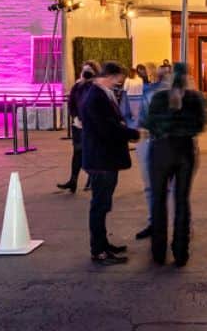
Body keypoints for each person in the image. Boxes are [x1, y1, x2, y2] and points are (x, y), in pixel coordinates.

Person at [144, 61, 207, 266]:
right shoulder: (195, 99)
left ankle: (158, 251)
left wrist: (165, 127)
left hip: (160, 150)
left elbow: (149, 123)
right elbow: (200, 125)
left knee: (158, 199)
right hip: (185, 151)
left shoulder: (159, 97)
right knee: (182, 200)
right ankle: (181, 251)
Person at [79, 61, 140, 265]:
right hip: (101, 159)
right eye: (118, 80)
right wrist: (132, 133)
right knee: (100, 205)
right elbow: (107, 128)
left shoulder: (101, 93)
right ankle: (98, 250)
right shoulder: (96, 97)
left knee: (103, 205)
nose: (120, 84)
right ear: (110, 76)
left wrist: (121, 126)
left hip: (104, 158)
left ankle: (103, 244)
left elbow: (112, 124)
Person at [134, 63, 173, 241]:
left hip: (170, 145)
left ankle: (178, 225)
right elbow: (139, 118)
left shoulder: (179, 95)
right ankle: (156, 223)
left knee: (172, 188)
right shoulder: (147, 92)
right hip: (151, 142)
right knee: (152, 187)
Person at [58, 63, 96, 193]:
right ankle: (73, 181)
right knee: (77, 153)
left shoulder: (96, 87)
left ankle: (92, 177)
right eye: (84, 70)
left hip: (91, 127)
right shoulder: (77, 86)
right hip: (78, 125)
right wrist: (74, 118)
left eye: (89, 71)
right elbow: (71, 104)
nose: (85, 73)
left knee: (89, 152)